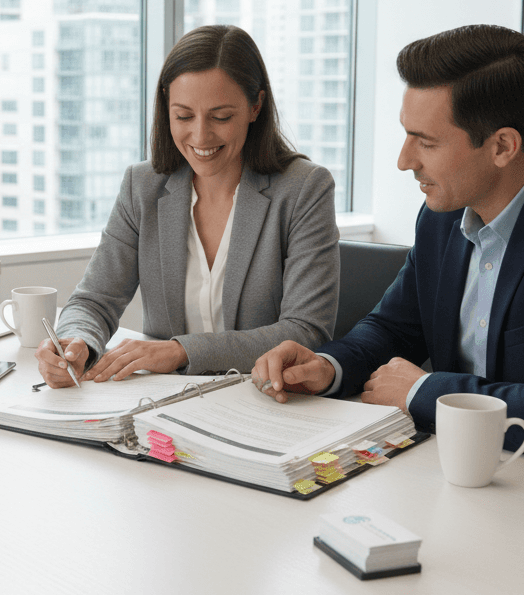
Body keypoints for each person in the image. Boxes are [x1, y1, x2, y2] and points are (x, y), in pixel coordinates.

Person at [251, 24, 524, 481]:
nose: (405, 160)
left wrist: (422, 391)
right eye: (407, 136)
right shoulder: (444, 213)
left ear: (502, 146)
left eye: (426, 142)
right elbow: (394, 327)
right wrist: (327, 366)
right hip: (482, 478)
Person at [36, 25, 340, 386]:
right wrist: (76, 343)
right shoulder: (142, 186)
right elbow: (93, 301)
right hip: (165, 405)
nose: (200, 136)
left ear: (255, 106)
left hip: (264, 400)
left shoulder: (304, 189)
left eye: (221, 117)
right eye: (183, 116)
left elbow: (305, 331)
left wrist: (182, 351)